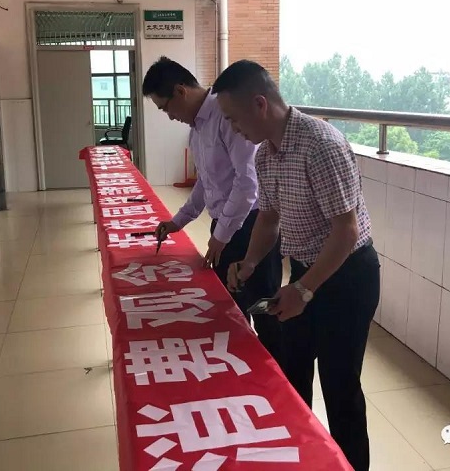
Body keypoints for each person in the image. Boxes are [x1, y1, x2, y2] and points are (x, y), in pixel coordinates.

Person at [213, 60, 380, 471]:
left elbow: (345, 231)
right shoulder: (265, 155)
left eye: (234, 119)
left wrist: (304, 290)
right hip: (308, 271)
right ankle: (300, 460)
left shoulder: (320, 144)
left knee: (340, 388)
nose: (233, 129)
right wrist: (250, 263)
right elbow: (269, 218)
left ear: (260, 104)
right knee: (292, 374)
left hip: (349, 275)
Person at [142, 56, 284, 364]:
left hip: (252, 227)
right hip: (224, 227)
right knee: (230, 306)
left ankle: (273, 373)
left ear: (180, 91)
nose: (169, 117)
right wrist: (179, 221)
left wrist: (221, 236)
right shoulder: (197, 129)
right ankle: (239, 368)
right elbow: (206, 183)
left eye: (166, 108)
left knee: (263, 306)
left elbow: (247, 184)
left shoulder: (227, 116)